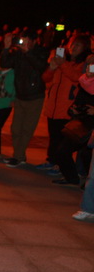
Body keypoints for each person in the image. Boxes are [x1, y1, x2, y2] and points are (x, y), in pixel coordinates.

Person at [39, 34, 91, 173]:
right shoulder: (63, 61)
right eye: (72, 44)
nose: (73, 47)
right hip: (53, 107)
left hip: (67, 109)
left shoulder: (83, 64)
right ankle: (51, 161)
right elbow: (46, 78)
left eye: (78, 45)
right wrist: (52, 67)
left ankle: (61, 166)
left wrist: (62, 64)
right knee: (53, 137)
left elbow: (77, 78)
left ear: (84, 48)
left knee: (64, 140)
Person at [1, 30, 50, 166]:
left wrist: (28, 52)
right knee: (15, 128)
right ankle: (18, 156)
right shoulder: (18, 52)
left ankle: (18, 156)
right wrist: (6, 48)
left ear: (34, 41)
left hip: (35, 96)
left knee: (27, 129)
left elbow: (41, 66)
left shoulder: (41, 51)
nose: (24, 43)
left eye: (27, 40)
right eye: (22, 40)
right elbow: (4, 64)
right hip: (20, 95)